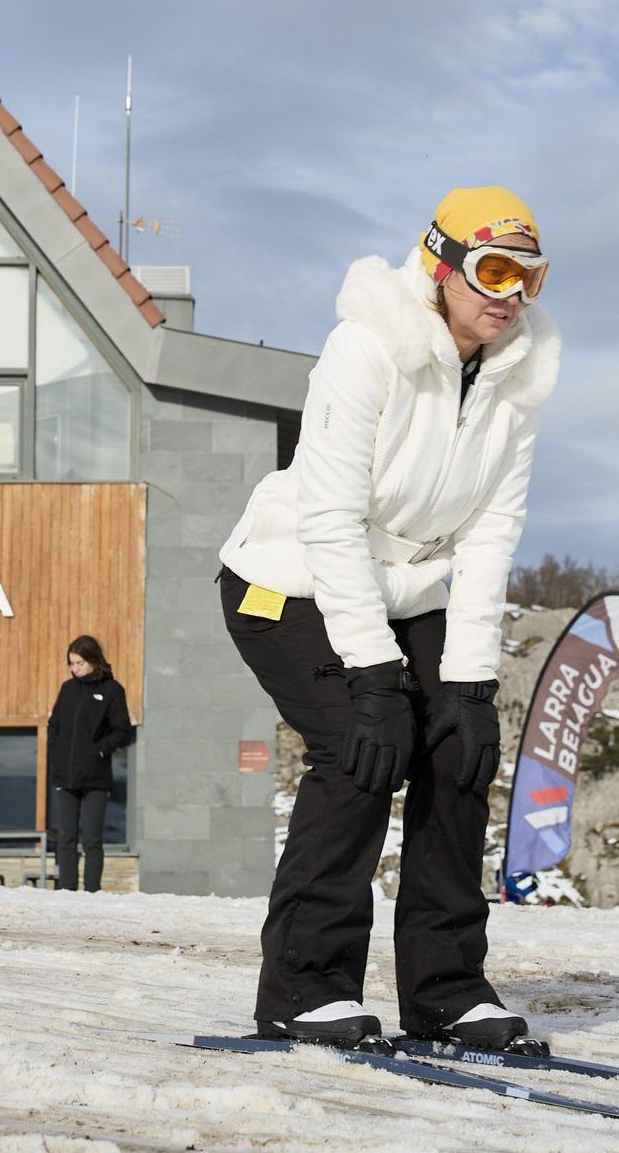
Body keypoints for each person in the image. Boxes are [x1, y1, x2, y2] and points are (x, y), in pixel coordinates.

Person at [217, 187, 560, 1054]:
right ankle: (306, 985)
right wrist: (371, 675)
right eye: (491, 270)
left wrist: (472, 681)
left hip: (415, 584)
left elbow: (491, 530)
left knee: (457, 745)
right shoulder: (366, 346)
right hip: (289, 576)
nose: (508, 293)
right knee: (362, 745)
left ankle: (446, 989)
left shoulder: (518, 377)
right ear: (440, 264)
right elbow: (330, 518)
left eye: (529, 277)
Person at [46, 635, 135, 892]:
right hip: (66, 774)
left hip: (95, 775)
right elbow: (55, 724)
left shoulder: (112, 690)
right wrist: (57, 750)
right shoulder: (67, 689)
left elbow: (123, 731)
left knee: (92, 839)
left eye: (80, 663)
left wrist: (99, 751)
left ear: (94, 661)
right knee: (66, 838)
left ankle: (92, 893)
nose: (75, 669)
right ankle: (66, 891)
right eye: (72, 664)